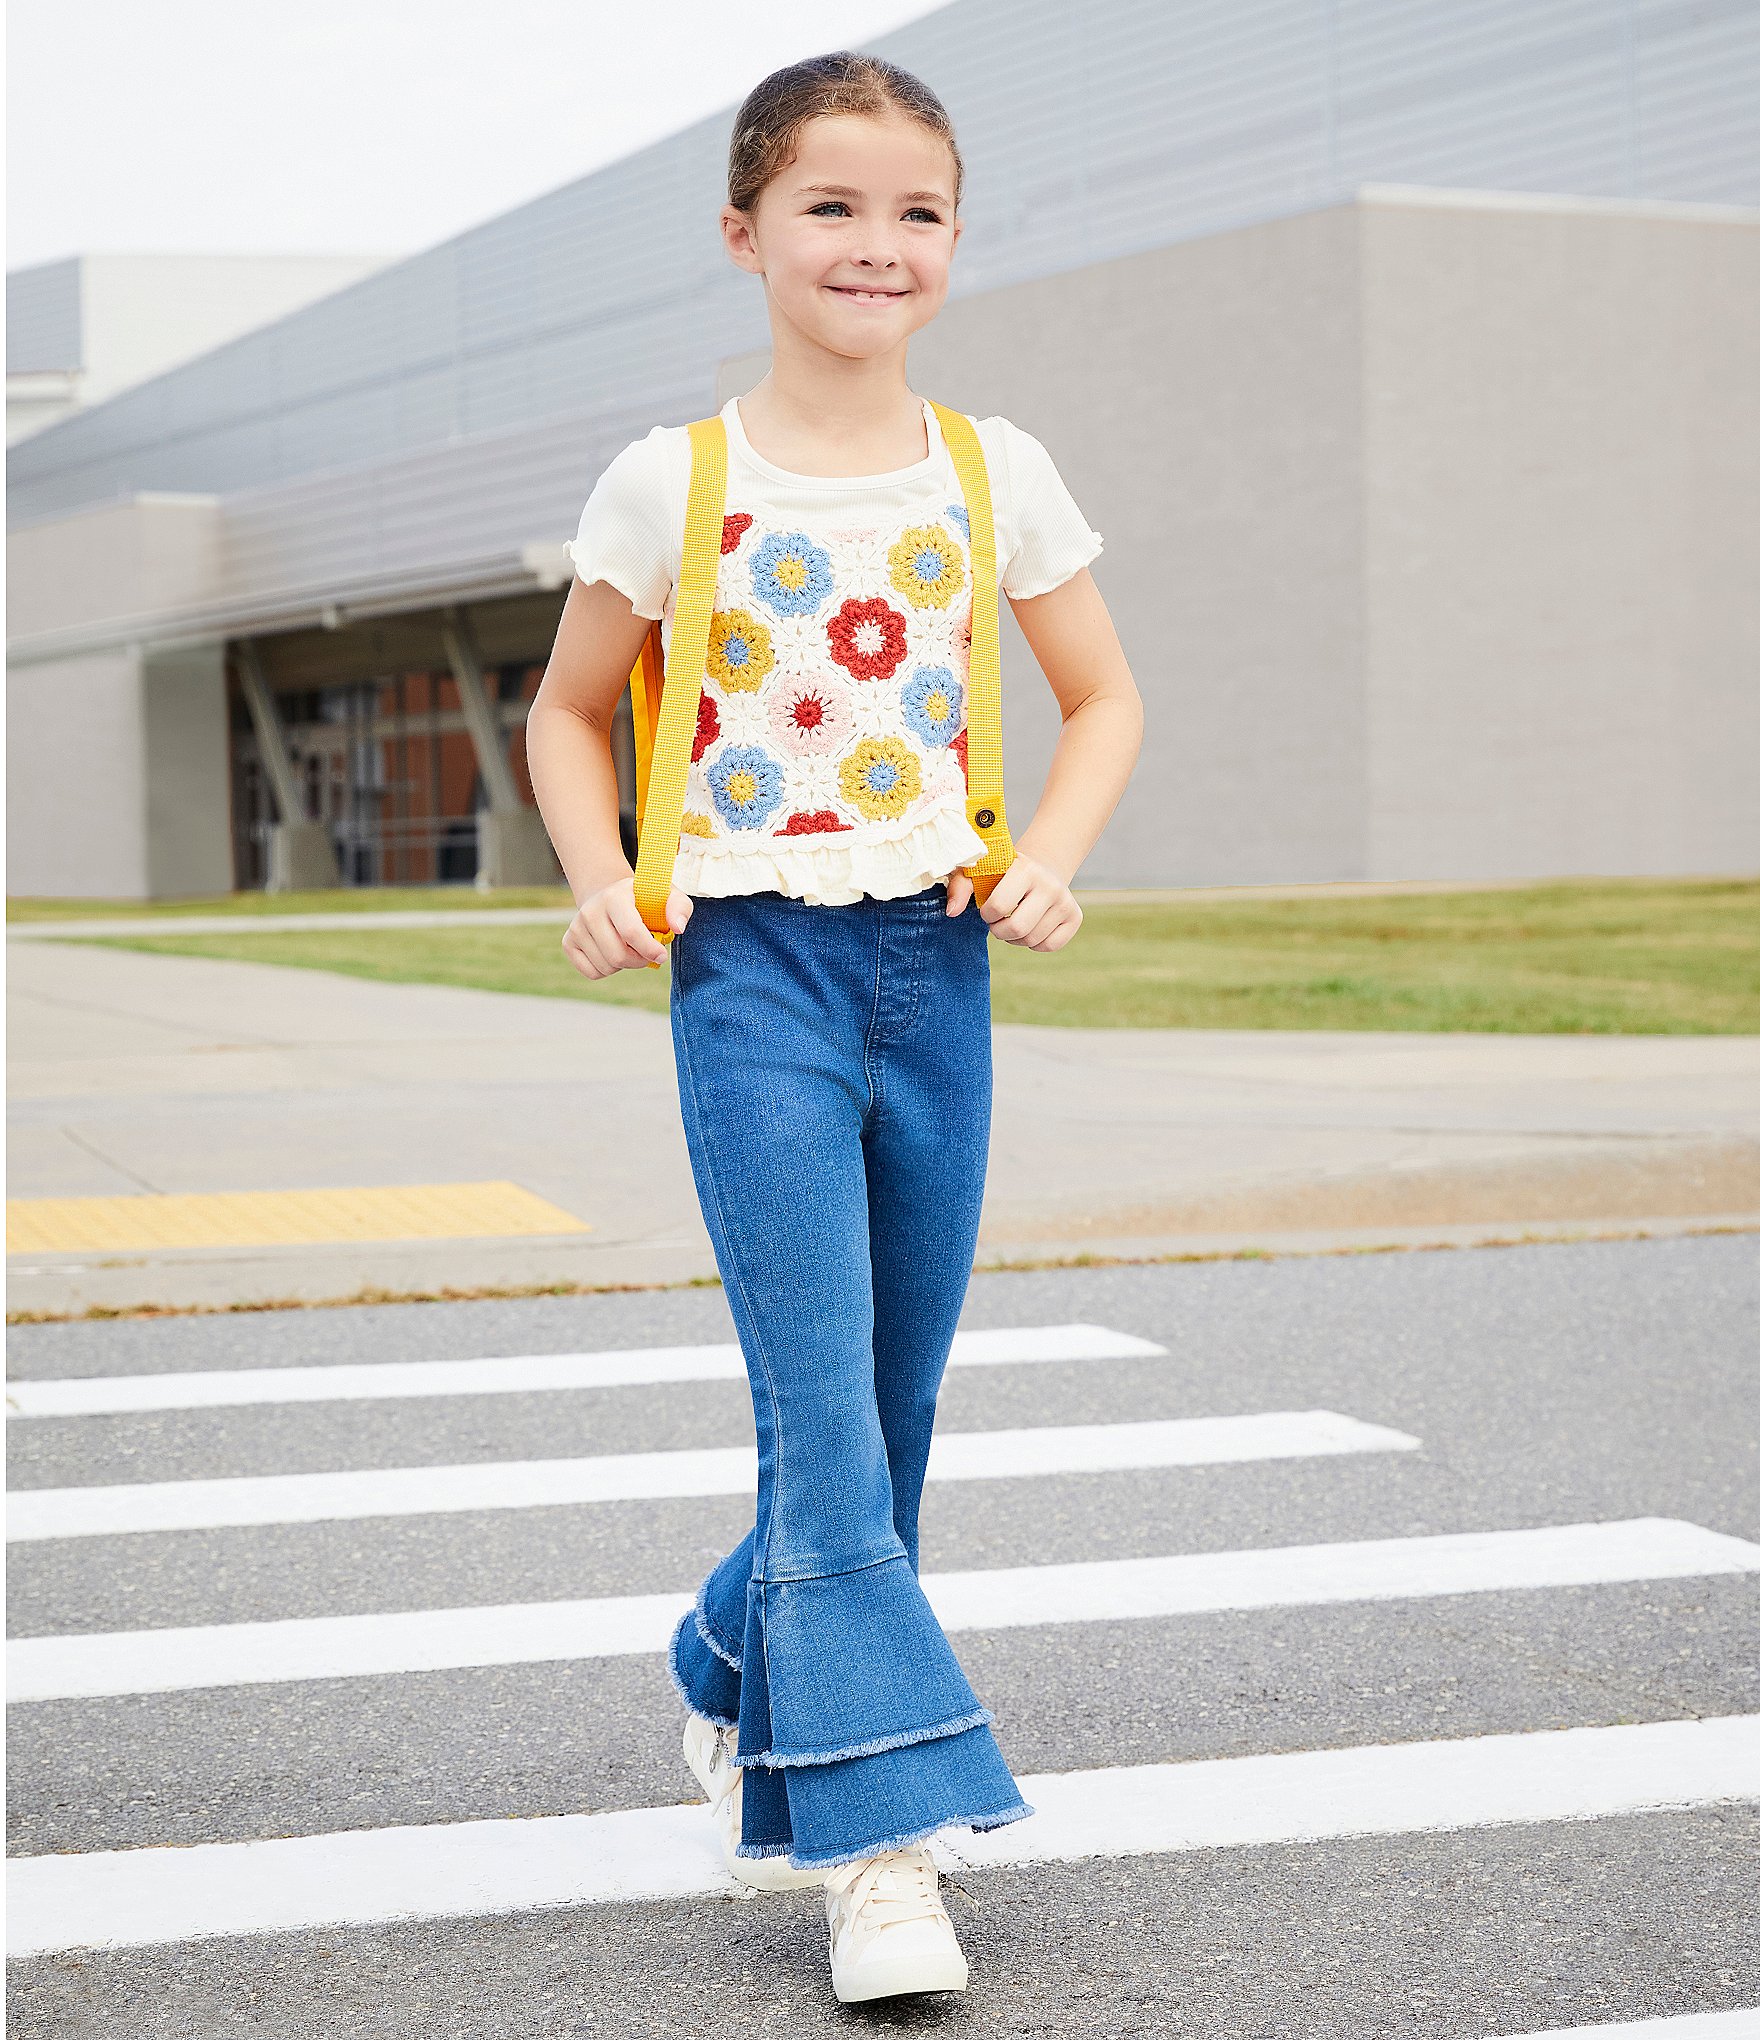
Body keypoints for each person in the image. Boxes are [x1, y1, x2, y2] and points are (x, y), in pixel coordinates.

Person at [526, 49, 1143, 2006]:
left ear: (952, 243)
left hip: (932, 968)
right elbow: (566, 708)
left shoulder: (994, 469)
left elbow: (1105, 699)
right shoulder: (670, 478)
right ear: (744, 233)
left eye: (915, 213)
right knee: (818, 1420)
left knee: (888, 1424)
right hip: (755, 975)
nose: (875, 245)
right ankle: (878, 1851)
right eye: (831, 207)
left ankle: (731, 1656)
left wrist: (1049, 852)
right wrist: (598, 870)